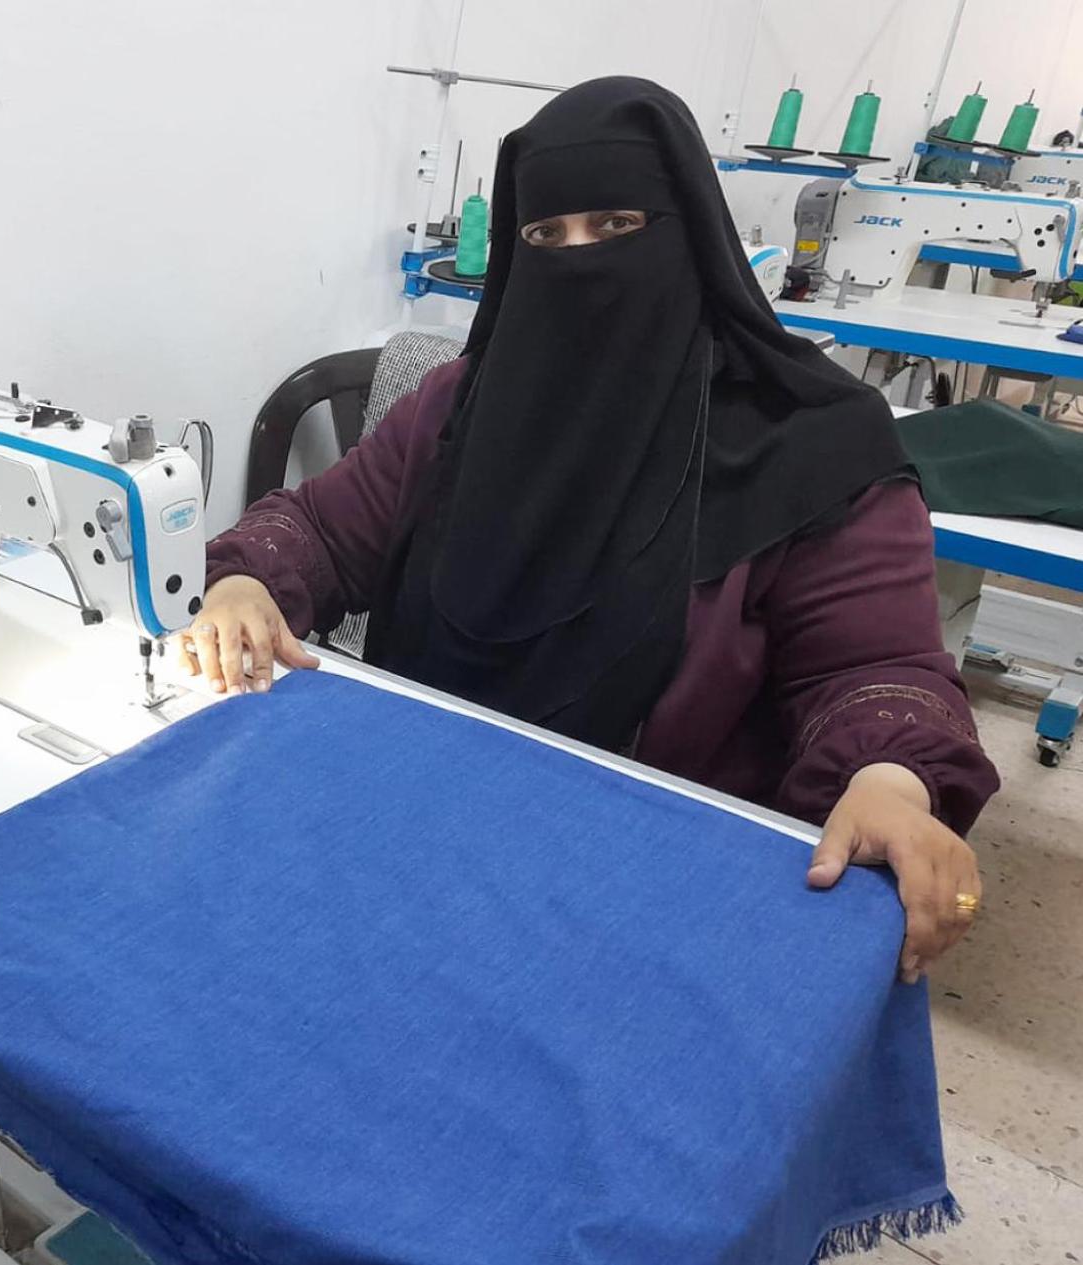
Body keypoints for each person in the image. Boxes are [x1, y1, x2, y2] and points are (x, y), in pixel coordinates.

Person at [179, 77, 999, 983]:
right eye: (545, 237)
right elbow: (321, 530)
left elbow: (873, 669)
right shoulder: (459, 410)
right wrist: (245, 581)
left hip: (649, 887)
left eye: (615, 225)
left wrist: (888, 780)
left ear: (689, 231)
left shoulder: (808, 441)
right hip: (419, 825)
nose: (581, 264)